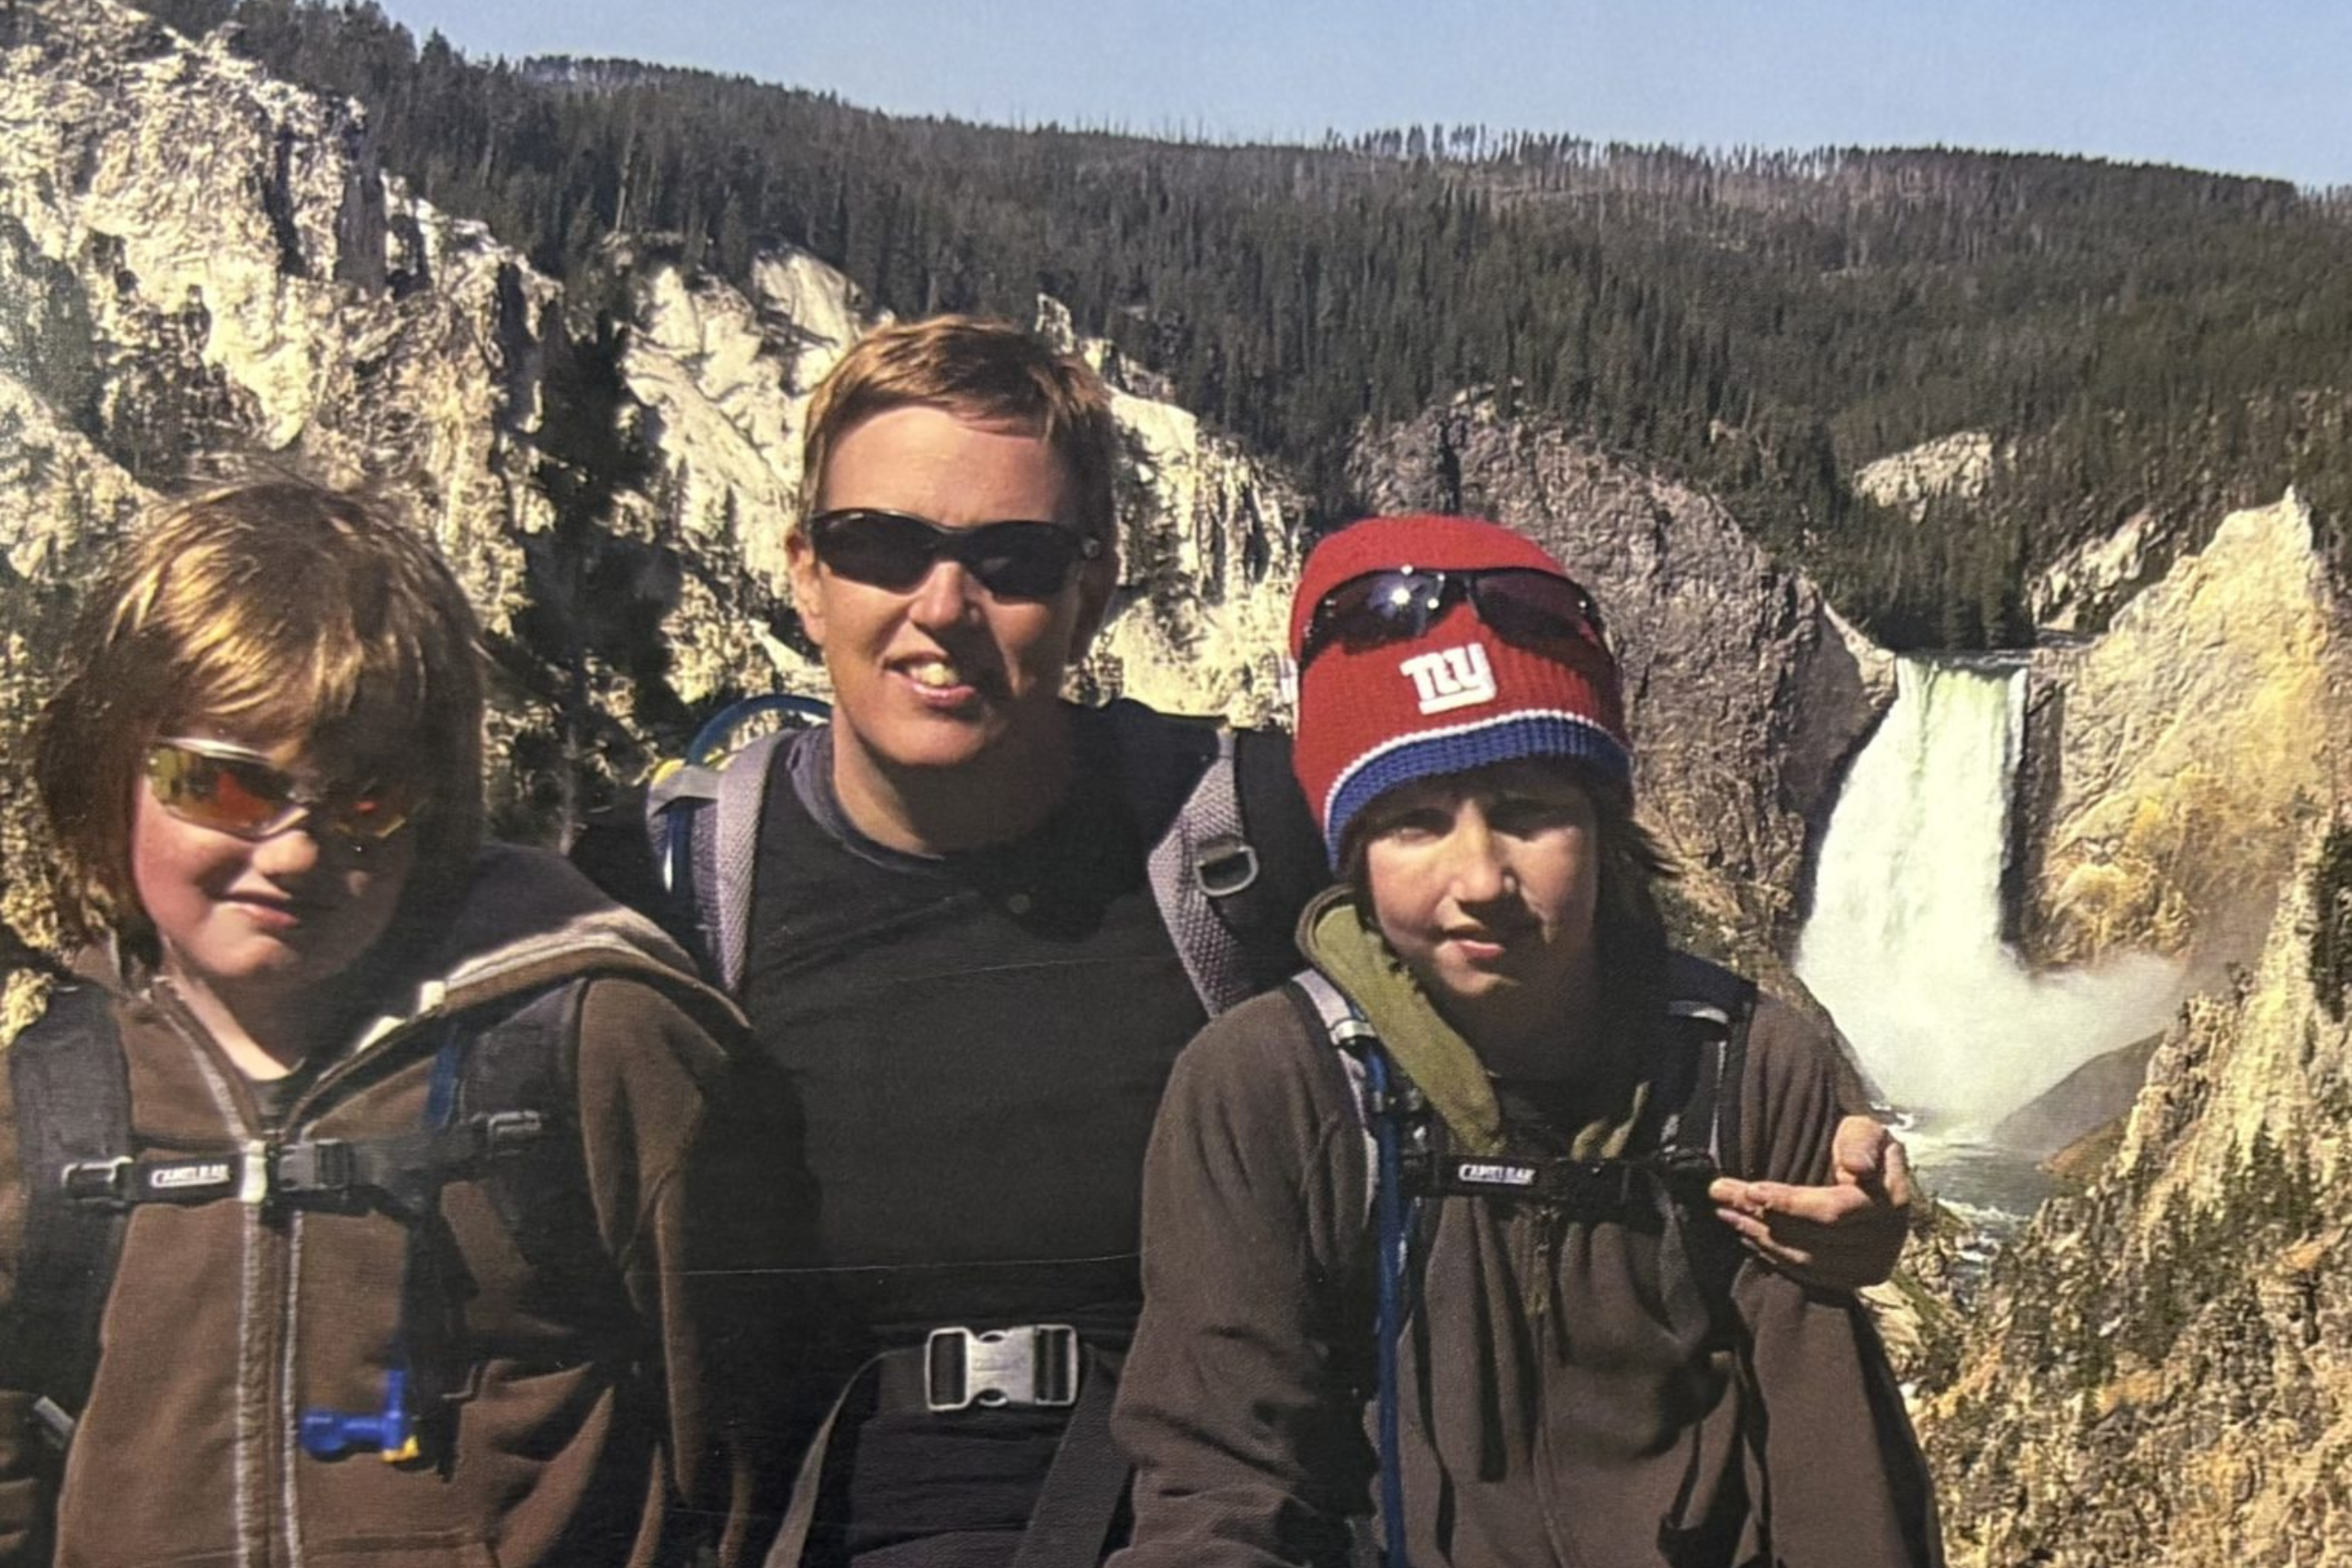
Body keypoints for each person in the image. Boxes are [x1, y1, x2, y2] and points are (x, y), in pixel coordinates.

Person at [578, 315, 1912, 1568]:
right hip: (806, 1518)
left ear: (1093, 585)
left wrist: (1817, 1158)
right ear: (805, 571)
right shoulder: (669, 886)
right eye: (880, 544)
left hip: (1210, 1510)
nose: (943, 606)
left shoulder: (1241, 827)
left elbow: (1565, 993)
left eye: (1013, 560)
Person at [1110, 514, 1943, 1567]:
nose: (1480, 881)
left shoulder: (1745, 1068)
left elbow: (1835, 1479)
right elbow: (1221, 1477)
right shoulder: (1267, 1086)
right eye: (1413, 823)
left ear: (1601, 825)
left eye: (1526, 812)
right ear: (1350, 855)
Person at [0, 480, 785, 1568]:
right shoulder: (47, 1109)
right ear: (111, 770)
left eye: (365, 798)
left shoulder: (597, 1045)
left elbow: (748, 1464)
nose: (293, 852)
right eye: (221, 787)